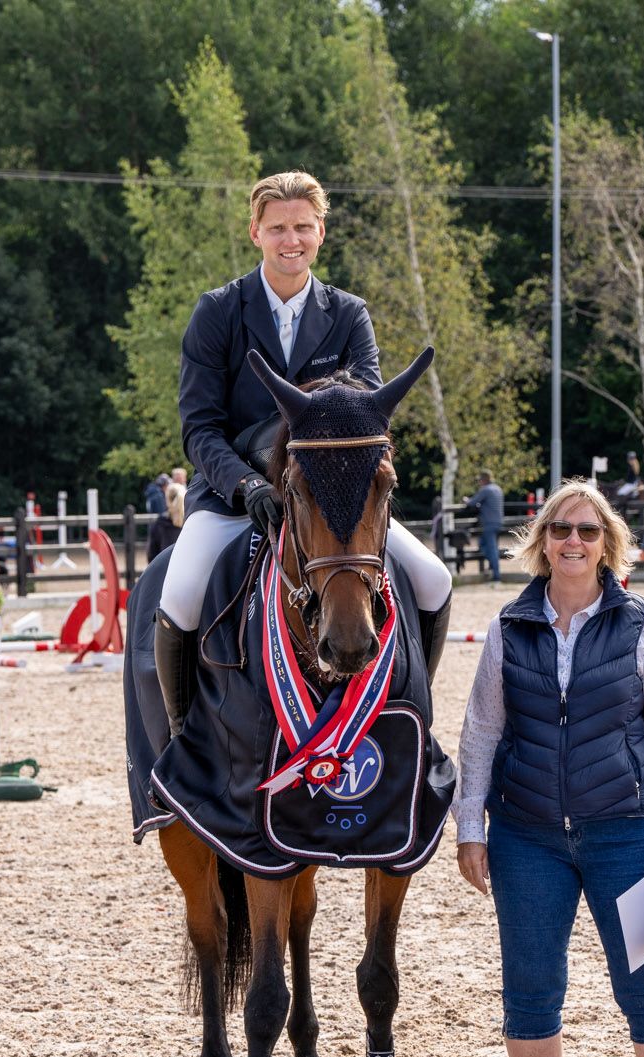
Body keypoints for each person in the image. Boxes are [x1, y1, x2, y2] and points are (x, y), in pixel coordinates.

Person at [454, 478, 644, 1057]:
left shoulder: (639, 624)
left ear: (608, 545)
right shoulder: (510, 625)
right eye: (561, 529)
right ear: (542, 542)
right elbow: (481, 731)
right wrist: (471, 825)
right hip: (526, 836)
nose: (573, 541)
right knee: (531, 989)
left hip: (626, 831)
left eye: (588, 532)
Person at [158, 170, 453, 736]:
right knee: (184, 589)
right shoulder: (218, 311)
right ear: (255, 233)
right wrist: (249, 487)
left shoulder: (348, 314)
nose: (289, 240)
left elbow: (365, 411)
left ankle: (409, 715)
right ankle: (182, 738)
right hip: (235, 493)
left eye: (302, 227)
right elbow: (200, 429)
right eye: (277, 229)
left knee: (434, 579)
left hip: (334, 499)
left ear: (320, 232)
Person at [464, 470, 505, 584]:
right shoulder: (497, 489)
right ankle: (493, 570)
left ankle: (496, 576)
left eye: (480, 480)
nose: (479, 482)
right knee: (492, 548)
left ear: (484, 480)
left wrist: (466, 500)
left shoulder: (485, 490)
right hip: (498, 522)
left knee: (489, 549)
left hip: (489, 524)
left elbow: (472, 502)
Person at [147, 479, 184, 561]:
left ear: (167, 499)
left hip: (165, 571)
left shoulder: (160, 523)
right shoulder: (191, 522)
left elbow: (151, 556)